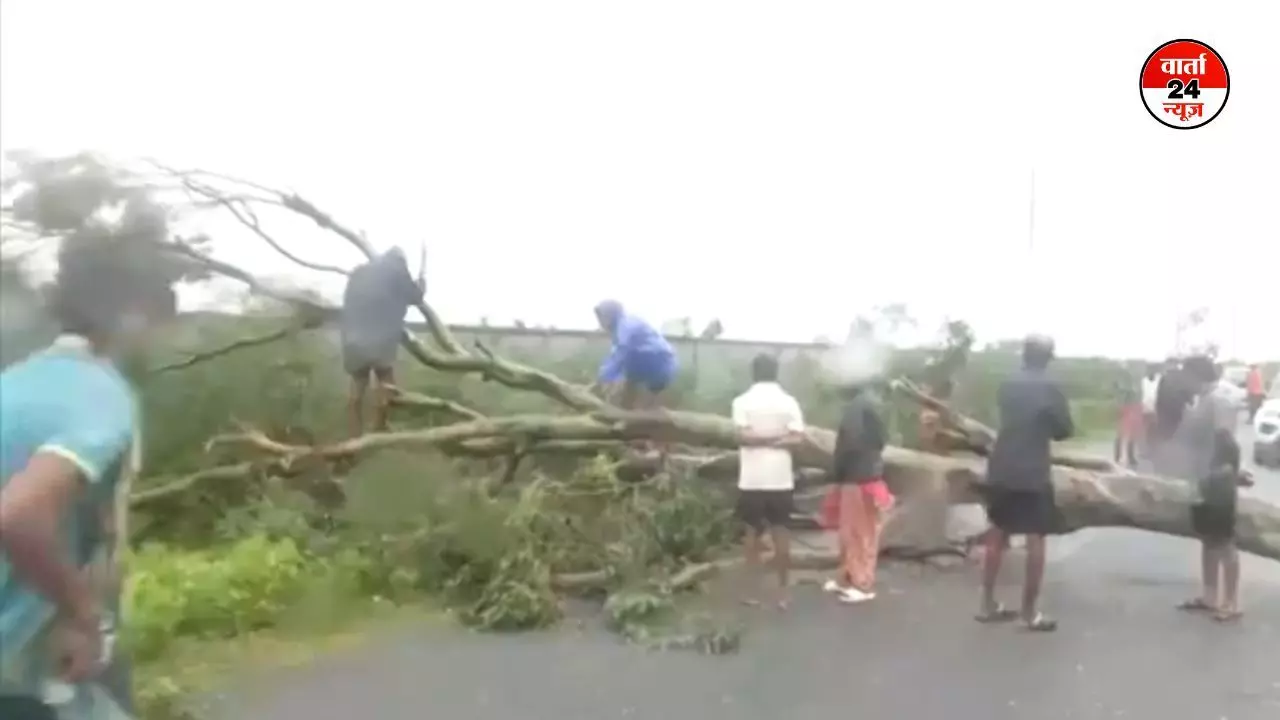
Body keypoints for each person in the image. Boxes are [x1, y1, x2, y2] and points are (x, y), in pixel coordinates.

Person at [1, 250, 175, 718]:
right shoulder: (101, 395)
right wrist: (82, 613)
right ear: (132, 315)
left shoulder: (13, 383)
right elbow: (19, 515)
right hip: (29, 663)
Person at [975, 334, 1073, 632]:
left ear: (1023, 355)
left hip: (1002, 465)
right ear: (1047, 357)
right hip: (1032, 470)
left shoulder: (1008, 383)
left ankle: (988, 604)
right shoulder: (1050, 387)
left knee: (997, 534)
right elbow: (1063, 430)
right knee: (1035, 539)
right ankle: (1030, 613)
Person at [1169, 356, 1253, 622]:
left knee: (1225, 542)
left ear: (1197, 375)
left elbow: (1226, 440)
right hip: (1202, 478)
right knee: (1208, 538)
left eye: (1186, 375)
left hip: (1217, 479)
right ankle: (1209, 596)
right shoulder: (1203, 399)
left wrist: (1230, 471)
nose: (1183, 380)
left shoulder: (1219, 399)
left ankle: (1231, 602)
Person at [731, 354, 805, 609]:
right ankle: (784, 593)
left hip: (751, 480)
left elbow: (743, 436)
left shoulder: (741, 402)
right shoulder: (789, 402)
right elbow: (797, 438)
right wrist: (777, 439)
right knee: (781, 534)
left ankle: (751, 592)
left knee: (751, 535)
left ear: (753, 372)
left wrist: (760, 439)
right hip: (780, 479)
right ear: (776, 372)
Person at [824, 377, 894, 604]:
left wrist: (838, 471)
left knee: (859, 534)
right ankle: (847, 577)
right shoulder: (866, 404)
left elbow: (850, 444)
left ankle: (862, 584)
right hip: (861, 475)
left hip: (859, 475)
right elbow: (881, 440)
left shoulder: (858, 407)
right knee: (850, 534)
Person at [340, 247, 424, 437]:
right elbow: (415, 297)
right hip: (380, 338)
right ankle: (379, 427)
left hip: (353, 337)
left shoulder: (359, 272)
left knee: (357, 387)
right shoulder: (397, 269)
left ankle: (354, 435)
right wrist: (421, 286)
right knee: (387, 383)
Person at [1140, 363, 1162, 456]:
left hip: (1156, 409)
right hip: (1144, 410)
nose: (1151, 373)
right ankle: (1145, 450)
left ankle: (1154, 450)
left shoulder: (1160, 380)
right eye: (1149, 370)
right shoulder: (1143, 381)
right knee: (1144, 431)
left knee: (1155, 431)